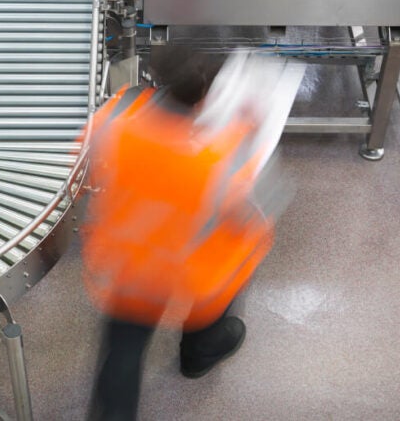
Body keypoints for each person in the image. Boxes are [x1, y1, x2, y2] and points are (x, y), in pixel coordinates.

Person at [81, 48, 277, 421]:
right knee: (229, 273)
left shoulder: (116, 117)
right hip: (175, 269)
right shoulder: (208, 161)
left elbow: (86, 156)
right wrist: (246, 130)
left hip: (124, 264)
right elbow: (242, 211)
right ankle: (201, 350)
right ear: (206, 98)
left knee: (124, 347)